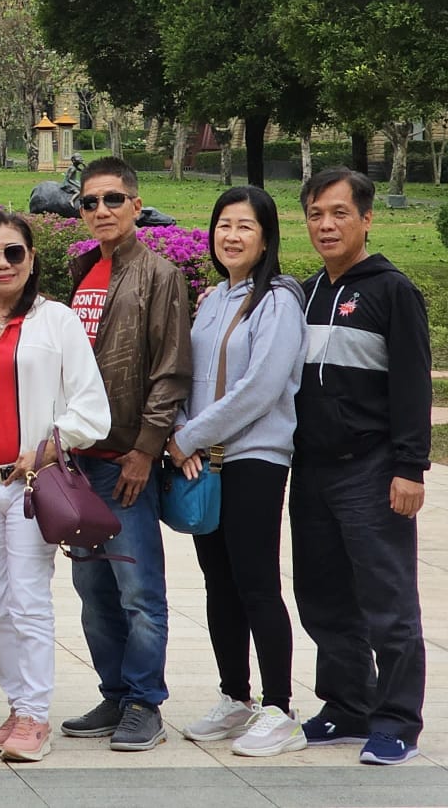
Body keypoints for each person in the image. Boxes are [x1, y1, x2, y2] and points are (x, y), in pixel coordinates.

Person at [0, 210, 110, 765]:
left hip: (31, 485)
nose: (2, 263)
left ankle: (35, 715)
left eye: (13, 252)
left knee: (29, 598)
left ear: (32, 257)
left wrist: (46, 447)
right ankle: (16, 707)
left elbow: (92, 407)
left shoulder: (56, 321)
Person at [289, 168, 430, 766]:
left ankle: (397, 719)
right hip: (312, 470)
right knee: (322, 596)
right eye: (317, 214)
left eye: (340, 213)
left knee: (387, 600)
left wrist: (410, 466)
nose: (327, 225)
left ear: (367, 219)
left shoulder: (392, 291)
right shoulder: (307, 291)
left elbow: (412, 386)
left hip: (371, 469)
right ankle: (348, 704)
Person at [168, 186, 308, 757]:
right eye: (224, 224)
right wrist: (182, 435)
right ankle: (235, 697)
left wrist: (187, 437)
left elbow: (262, 389)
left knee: (255, 581)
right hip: (204, 460)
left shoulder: (277, 300)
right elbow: (183, 373)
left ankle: (280, 708)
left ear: (267, 237)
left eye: (245, 226)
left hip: (254, 459)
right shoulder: (211, 300)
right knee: (217, 581)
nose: (232, 236)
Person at [58, 157, 191, 753]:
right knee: (93, 592)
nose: (101, 211)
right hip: (76, 465)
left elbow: (170, 371)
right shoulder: (84, 268)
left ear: (137, 206)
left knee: (139, 591)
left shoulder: (159, 274)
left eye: (113, 200)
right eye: (90, 202)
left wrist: (145, 449)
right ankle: (114, 693)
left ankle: (145, 702)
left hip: (123, 463)